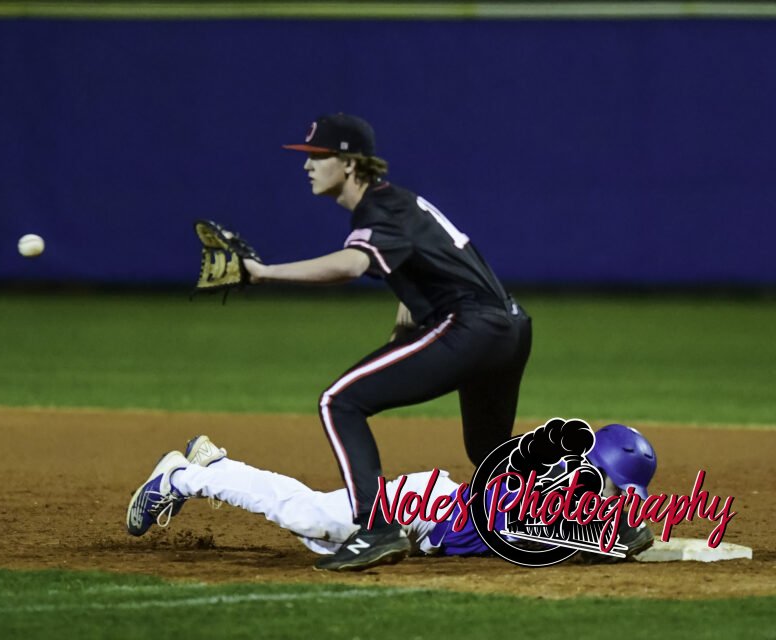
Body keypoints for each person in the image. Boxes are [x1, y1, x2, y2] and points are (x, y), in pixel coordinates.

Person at [230, 113, 533, 571]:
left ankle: (377, 528)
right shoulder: (397, 205)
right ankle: (588, 514)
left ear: (350, 163)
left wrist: (263, 273)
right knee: (490, 453)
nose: (307, 166)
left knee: (340, 401)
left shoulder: (380, 209)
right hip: (510, 326)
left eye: (318, 156)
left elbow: (353, 266)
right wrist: (400, 341)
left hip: (471, 327)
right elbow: (420, 277)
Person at [125, 425, 657, 566]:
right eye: (609, 484)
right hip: (419, 510)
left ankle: (215, 466)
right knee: (310, 516)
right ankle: (183, 476)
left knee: (313, 523)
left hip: (428, 511)